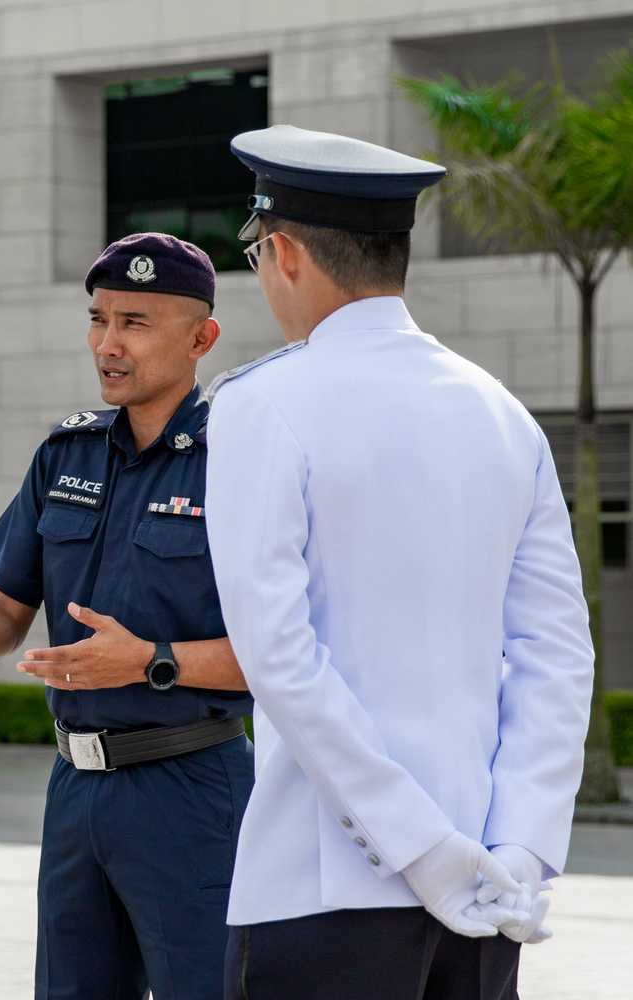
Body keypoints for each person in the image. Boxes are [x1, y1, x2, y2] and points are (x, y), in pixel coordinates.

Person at [204, 124, 595, 1000]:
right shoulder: (501, 413)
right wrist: (516, 849)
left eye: (259, 255)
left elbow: (280, 660)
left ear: (288, 252)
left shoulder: (260, 405)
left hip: (322, 890)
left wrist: (419, 850)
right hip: (489, 894)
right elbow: (557, 655)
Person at [0, 233, 255, 1000]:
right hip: (75, 788)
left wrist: (151, 660)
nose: (107, 344)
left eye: (134, 322)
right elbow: (1, 622)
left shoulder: (237, 460)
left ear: (202, 337)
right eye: (98, 320)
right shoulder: (65, 455)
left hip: (191, 785)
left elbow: (284, 653)